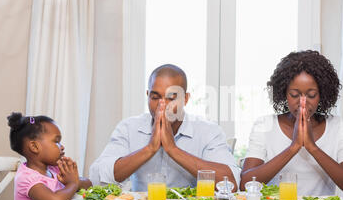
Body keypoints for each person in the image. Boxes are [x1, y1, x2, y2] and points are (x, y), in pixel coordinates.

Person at [89, 64, 240, 191]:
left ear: (185, 99)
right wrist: (149, 149)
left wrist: (173, 150)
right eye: (155, 97)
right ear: (148, 96)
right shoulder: (129, 128)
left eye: (171, 98)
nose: (162, 105)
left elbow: (231, 184)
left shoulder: (208, 131)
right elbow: (97, 178)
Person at [240, 50, 343, 195]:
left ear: (322, 94)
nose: (302, 102)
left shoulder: (338, 127)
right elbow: (245, 184)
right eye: (294, 95)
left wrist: (312, 148)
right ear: (284, 93)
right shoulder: (264, 125)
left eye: (311, 95)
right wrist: (294, 147)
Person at [3, 112, 92, 200]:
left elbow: (88, 184)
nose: (62, 146)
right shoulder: (27, 178)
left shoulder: (54, 169)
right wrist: (72, 184)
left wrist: (74, 179)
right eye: (56, 141)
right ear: (34, 147)